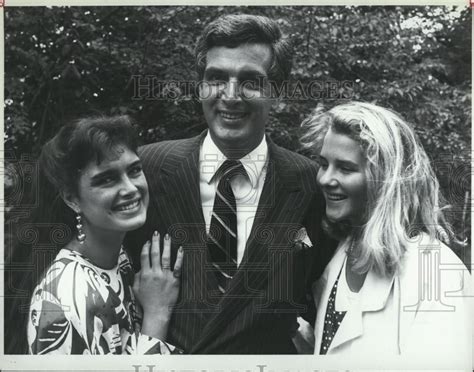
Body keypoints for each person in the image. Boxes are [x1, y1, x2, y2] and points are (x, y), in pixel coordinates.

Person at [126, 14, 335, 354]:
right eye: (216, 78)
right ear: (200, 86)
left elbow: (321, 297)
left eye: (251, 81)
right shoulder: (146, 169)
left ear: (276, 92)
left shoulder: (311, 184)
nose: (231, 95)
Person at [300, 101, 471, 361]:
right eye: (324, 164)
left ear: (385, 179)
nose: (325, 179)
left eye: (345, 168)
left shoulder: (434, 272)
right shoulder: (341, 252)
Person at [25, 116, 184, 354]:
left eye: (134, 170)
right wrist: (157, 314)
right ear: (72, 199)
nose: (130, 189)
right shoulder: (65, 300)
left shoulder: (117, 256)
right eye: (107, 180)